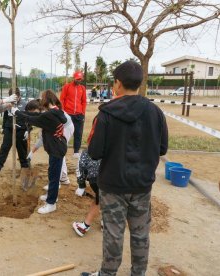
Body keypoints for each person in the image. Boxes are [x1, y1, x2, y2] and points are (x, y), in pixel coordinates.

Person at [81, 61, 168, 276]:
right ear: (139, 83)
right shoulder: (156, 112)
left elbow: (94, 152)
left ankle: (107, 273)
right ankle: (138, 273)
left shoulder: (106, 113)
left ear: (118, 84)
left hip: (113, 185)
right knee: (140, 234)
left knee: (113, 233)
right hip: (142, 185)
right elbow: (162, 148)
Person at [12, 90, 67, 214]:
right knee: (52, 173)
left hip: (56, 149)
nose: (41, 101)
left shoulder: (49, 115)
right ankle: (51, 196)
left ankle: (51, 203)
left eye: (42, 99)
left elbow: (33, 119)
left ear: (46, 101)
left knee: (54, 177)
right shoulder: (56, 111)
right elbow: (36, 116)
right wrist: (19, 112)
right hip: (57, 147)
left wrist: (17, 113)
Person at [29, 109, 74, 190]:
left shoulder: (46, 116)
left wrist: (32, 152)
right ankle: (63, 178)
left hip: (66, 127)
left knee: (58, 152)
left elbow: (42, 139)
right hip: (64, 126)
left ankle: (56, 182)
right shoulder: (43, 114)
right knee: (58, 153)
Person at [0, 88, 28, 176]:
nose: (15, 100)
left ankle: (24, 168)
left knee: (22, 149)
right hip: (9, 128)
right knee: (4, 148)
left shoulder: (25, 104)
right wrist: (3, 127)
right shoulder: (9, 104)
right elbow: (6, 116)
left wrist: (28, 130)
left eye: (16, 98)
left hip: (21, 129)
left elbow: (29, 118)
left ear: (19, 96)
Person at [72, 137, 101, 236]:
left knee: (99, 200)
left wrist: (81, 185)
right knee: (107, 198)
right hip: (114, 176)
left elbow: (80, 166)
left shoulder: (89, 149)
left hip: (96, 178)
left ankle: (84, 226)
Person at [60, 71, 87, 158]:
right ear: (74, 78)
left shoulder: (82, 88)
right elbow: (62, 99)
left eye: (80, 79)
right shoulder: (67, 87)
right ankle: (62, 150)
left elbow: (84, 101)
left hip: (79, 114)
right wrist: (63, 112)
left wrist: (83, 112)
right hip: (68, 114)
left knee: (78, 133)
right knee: (65, 133)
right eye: (77, 79)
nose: (79, 80)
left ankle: (76, 152)